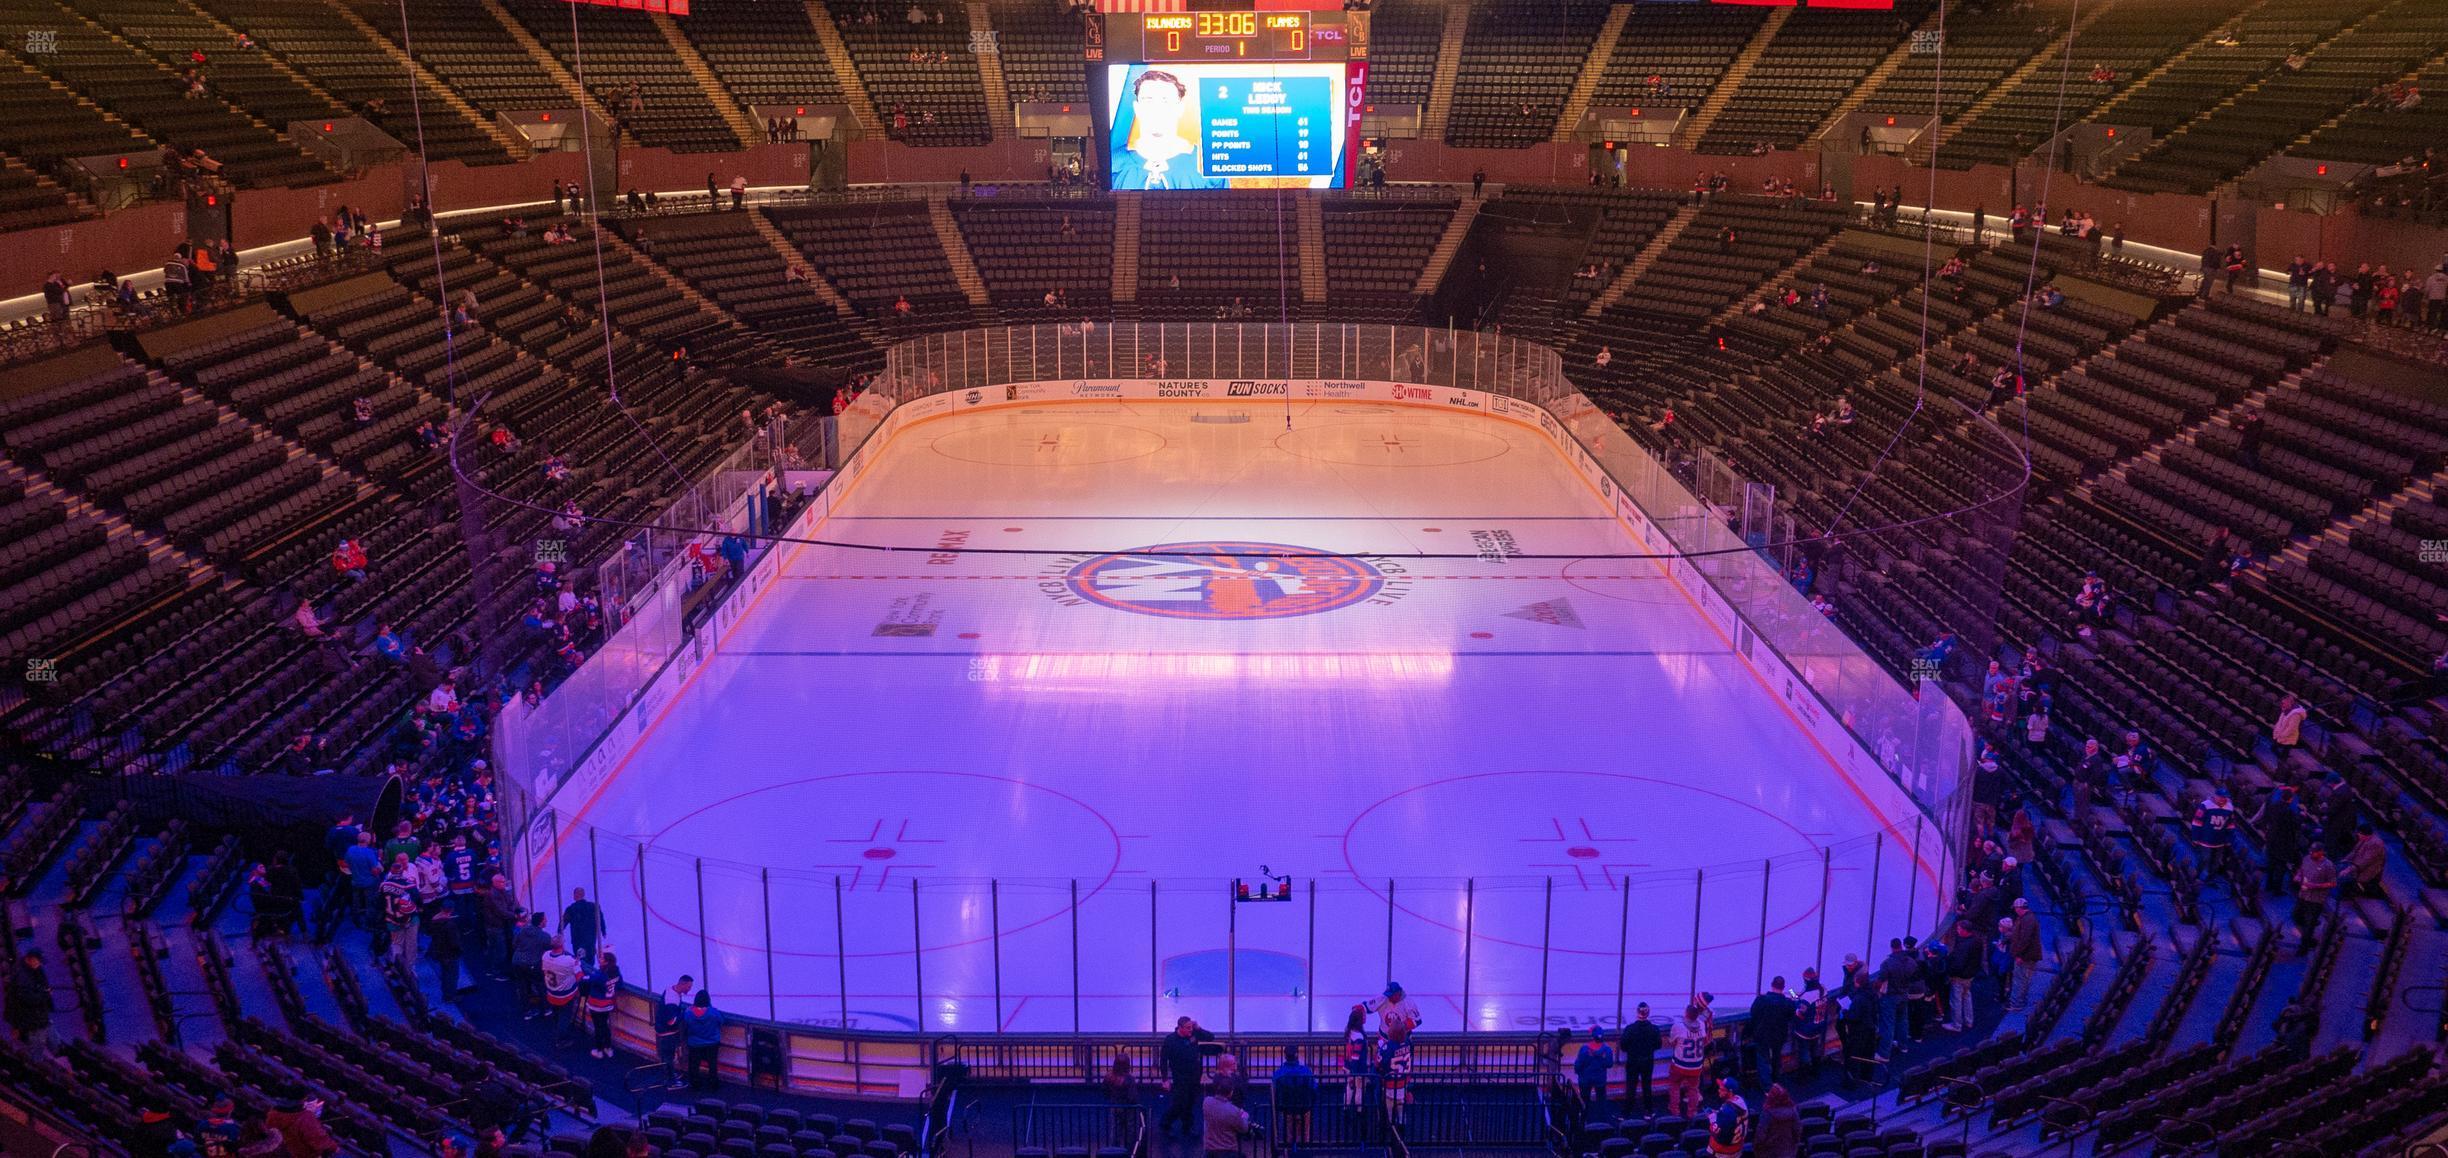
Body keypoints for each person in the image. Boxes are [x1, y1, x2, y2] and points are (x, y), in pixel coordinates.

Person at [1110, 70, 1223, 189]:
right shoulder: (1113, 164)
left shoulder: (1209, 165)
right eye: (1148, 100)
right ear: (1137, 108)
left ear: (1180, 108)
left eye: (1165, 100)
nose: (1157, 108)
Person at [1158, 1016, 1219, 1136]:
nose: (1190, 1030)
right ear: (1180, 1027)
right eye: (1188, 1028)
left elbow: (1210, 1037)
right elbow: (1163, 1060)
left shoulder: (1194, 1034)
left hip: (1195, 1075)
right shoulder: (1170, 1040)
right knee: (1179, 1103)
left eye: (1191, 1027)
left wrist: (1199, 1028)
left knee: (1190, 1102)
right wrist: (1165, 1079)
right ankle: (1165, 1123)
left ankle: (1187, 1127)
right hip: (1180, 1076)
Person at [1665, 1000, 1711, 1117]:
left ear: (1686, 1014)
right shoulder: (1701, 1024)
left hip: (1679, 1065)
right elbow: (1705, 1040)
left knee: (1675, 1086)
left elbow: (1672, 1042)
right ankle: (1692, 1112)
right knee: (1693, 1089)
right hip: (1696, 1066)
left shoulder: (1678, 1026)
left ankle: (1675, 1110)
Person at [1746, 980, 1794, 1092]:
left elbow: (1753, 1013)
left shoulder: (1761, 1000)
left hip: (1762, 1035)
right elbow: (1792, 1012)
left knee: (1763, 1060)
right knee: (1776, 1057)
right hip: (1779, 1036)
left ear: (1771, 985)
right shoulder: (1787, 1002)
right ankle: (1776, 1081)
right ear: (1783, 987)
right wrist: (1792, 993)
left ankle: (1767, 1087)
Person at [5, 949, 56, 1054]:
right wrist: (45, 994)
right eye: (38, 960)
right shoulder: (21, 975)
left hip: (34, 1015)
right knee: (36, 1048)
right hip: (30, 1017)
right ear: (30, 958)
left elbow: (42, 984)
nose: (39, 964)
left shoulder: (33, 968)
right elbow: (27, 999)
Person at [2290, 846, 2338, 950]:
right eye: (2310, 851)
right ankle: (2307, 934)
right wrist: (2298, 875)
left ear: (2321, 852)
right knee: (2296, 915)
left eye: (2314, 852)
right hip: (2303, 895)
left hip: (2316, 899)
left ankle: (2305, 945)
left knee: (2310, 923)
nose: (2311, 854)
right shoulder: (2307, 858)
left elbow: (2333, 883)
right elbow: (2301, 869)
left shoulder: (2328, 865)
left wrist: (2315, 886)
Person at [1618, 1002, 1660, 1115]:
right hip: (1647, 1061)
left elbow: (1623, 1046)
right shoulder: (1654, 1029)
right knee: (1647, 1086)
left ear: (1637, 1012)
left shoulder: (1630, 1029)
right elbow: (1658, 1045)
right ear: (1648, 1013)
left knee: (1631, 1086)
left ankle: (1627, 1111)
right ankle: (1649, 1110)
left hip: (1633, 1061)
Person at [1271, 1046, 1314, 1151]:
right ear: (1297, 1055)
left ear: (1285, 1056)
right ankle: (1304, 1153)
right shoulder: (1306, 1071)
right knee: (1305, 1135)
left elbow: (1274, 1091)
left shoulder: (1279, 1073)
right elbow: (1314, 1088)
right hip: (1305, 1108)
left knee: (1289, 1135)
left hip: (1287, 1109)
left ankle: (1290, 1152)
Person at [1201, 1081, 1252, 1158]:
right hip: (1228, 1152)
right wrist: (1245, 1116)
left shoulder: (1206, 1102)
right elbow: (1244, 1129)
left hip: (1209, 1151)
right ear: (1230, 1093)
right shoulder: (1233, 1111)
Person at [683, 990, 723, 1088]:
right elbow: (721, 1022)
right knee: (712, 1064)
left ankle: (695, 1084)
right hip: (712, 1043)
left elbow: (685, 1025)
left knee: (694, 1065)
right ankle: (713, 1084)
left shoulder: (688, 1013)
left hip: (694, 1044)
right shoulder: (714, 1012)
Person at [2007, 898, 2041, 1010]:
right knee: (2023, 980)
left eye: (2015, 908)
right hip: (2027, 955)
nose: (2015, 911)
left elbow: (2025, 939)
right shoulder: (2026, 918)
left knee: (2019, 980)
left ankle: (2016, 1004)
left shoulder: (2027, 920)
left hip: (2025, 957)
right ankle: (2020, 1001)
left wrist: (2019, 955)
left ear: (2019, 908)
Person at [1572, 1026, 1614, 1110]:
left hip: (1585, 1079)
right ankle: (1601, 1119)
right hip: (1600, 1078)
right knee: (1601, 1100)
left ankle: (1584, 1118)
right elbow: (1609, 1064)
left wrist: (1577, 1071)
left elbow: (1579, 1064)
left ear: (1592, 1037)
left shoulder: (1585, 1049)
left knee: (1584, 1100)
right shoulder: (1607, 1050)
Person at [559, 887, 604, 964]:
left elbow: (564, 922)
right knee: (590, 958)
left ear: (575, 895)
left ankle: (583, 973)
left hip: (577, 940)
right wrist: (603, 930)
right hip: (590, 939)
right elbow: (600, 919)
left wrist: (559, 931)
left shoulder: (571, 908)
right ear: (583, 895)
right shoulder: (593, 906)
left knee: (580, 959)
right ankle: (590, 972)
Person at [1340, 1005, 1373, 1108]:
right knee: (1359, 1088)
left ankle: (1345, 1107)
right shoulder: (1359, 1037)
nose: (1365, 1017)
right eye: (1363, 1015)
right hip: (1357, 1068)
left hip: (1348, 1065)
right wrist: (1354, 1073)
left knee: (1349, 1087)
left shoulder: (1349, 1031)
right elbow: (1356, 1057)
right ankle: (1359, 1110)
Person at [1703, 1078, 1747, 1156]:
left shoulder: (1726, 1112)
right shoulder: (1741, 1101)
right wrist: (1719, 1114)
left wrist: (1712, 1116)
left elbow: (1715, 1131)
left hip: (1724, 1151)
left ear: (1730, 1092)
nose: (1718, 1090)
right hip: (1737, 1147)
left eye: (1722, 1089)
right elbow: (1732, 1120)